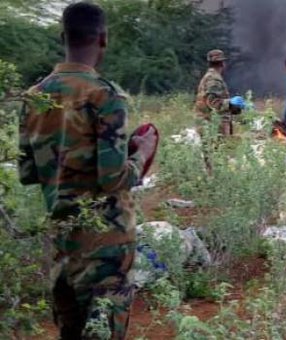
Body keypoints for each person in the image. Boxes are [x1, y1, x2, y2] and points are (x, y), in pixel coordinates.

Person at [18, 2, 158, 339]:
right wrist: (142, 154)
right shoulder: (105, 96)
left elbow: (27, 172)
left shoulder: (34, 97)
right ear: (103, 39)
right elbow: (113, 178)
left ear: (63, 36)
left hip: (62, 241)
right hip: (105, 246)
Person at [195, 49, 231, 173]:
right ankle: (217, 184)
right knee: (217, 158)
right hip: (213, 124)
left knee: (210, 159)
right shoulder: (214, 79)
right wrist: (231, 103)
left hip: (206, 123)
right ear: (222, 63)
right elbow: (213, 102)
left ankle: (212, 182)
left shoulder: (208, 77)